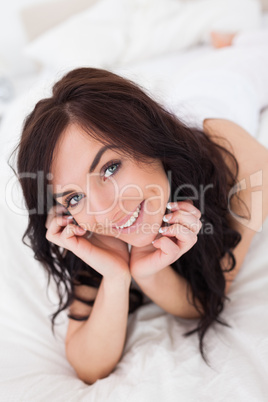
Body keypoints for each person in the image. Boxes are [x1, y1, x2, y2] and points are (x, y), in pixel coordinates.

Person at [15, 63, 268, 385]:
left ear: (149, 141)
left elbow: (206, 299)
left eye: (110, 168)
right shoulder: (92, 223)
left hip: (233, 76)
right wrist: (122, 275)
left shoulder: (248, 168)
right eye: (74, 197)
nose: (105, 210)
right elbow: (89, 366)